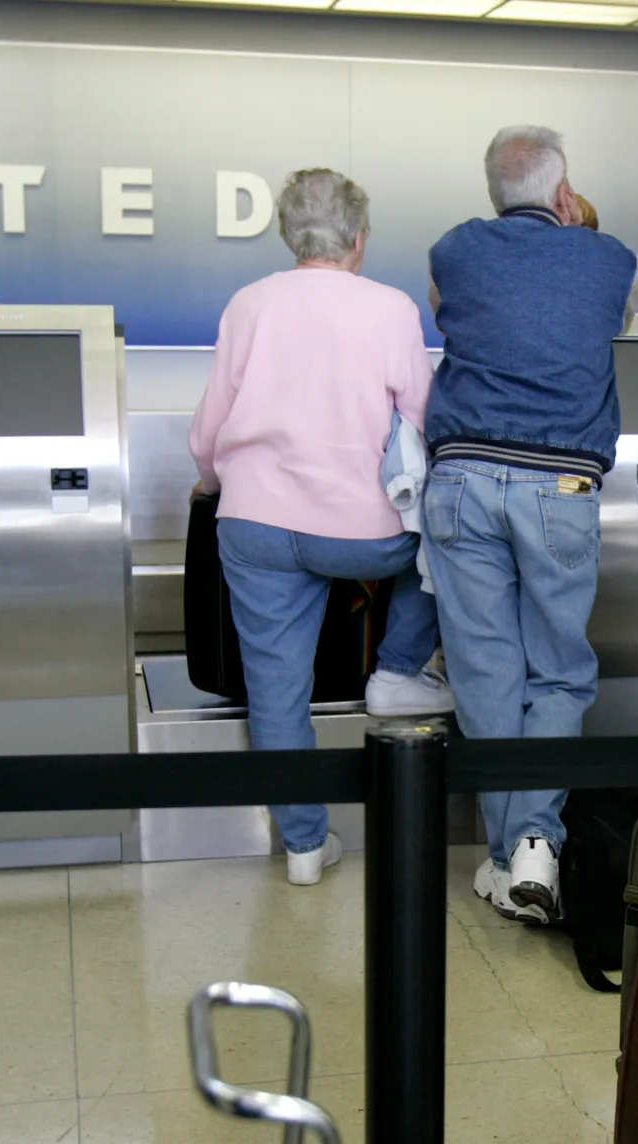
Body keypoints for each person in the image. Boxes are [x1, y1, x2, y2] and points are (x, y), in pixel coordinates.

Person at [189, 167, 450, 888]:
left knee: (276, 689)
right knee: (445, 550)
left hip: (258, 524)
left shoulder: (248, 304)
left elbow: (210, 427)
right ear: (359, 238)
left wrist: (213, 481)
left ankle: (303, 845)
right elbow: (427, 419)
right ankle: (396, 673)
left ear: (287, 234)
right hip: (364, 530)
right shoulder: (392, 308)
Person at [423, 126, 638, 923]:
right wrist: (581, 230)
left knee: (485, 671)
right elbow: (618, 318)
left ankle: (505, 854)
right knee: (557, 670)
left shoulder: (452, 250)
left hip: (462, 479)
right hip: (560, 483)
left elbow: (452, 315)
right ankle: (535, 849)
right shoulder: (610, 256)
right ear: (562, 192)